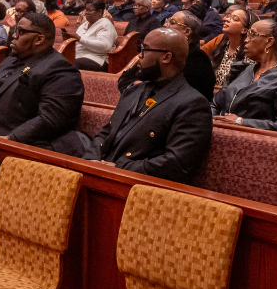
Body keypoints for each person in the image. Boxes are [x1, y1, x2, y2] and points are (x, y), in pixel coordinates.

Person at [88, 27, 213, 184]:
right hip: (102, 173)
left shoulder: (192, 103)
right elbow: (106, 133)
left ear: (166, 57)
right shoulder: (134, 90)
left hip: (140, 187)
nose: (139, 56)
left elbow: (176, 164)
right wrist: (90, 159)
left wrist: (120, 167)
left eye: (144, 50)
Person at [0, 13, 85, 156]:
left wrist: (11, 139)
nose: (14, 35)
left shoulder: (61, 71)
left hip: (14, 147)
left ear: (39, 39)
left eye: (20, 31)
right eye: (15, 30)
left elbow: (50, 119)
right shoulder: (9, 61)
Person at [212, 11, 277, 134]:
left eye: (252, 35)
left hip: (258, 147)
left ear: (269, 42)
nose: (246, 40)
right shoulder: (242, 70)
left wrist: (241, 122)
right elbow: (215, 104)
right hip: (222, 136)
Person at [128, 10, 218, 97]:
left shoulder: (198, 59)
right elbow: (125, 79)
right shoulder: (158, 50)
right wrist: (137, 86)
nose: (165, 25)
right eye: (167, 21)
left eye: (172, 22)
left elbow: (184, 94)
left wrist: (143, 86)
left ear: (187, 32)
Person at [210, 8, 251, 91]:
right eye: (228, 16)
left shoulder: (249, 55)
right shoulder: (219, 45)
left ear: (244, 30)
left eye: (235, 18)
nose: (226, 19)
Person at [73, 0, 117, 72]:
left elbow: (105, 46)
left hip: (97, 59)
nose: (86, 13)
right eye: (85, 10)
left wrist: (80, 39)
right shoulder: (84, 24)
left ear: (99, 11)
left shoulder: (105, 24)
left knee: (69, 65)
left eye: (89, 10)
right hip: (79, 56)